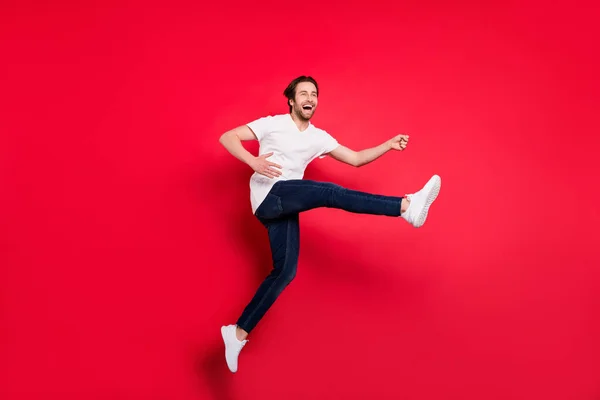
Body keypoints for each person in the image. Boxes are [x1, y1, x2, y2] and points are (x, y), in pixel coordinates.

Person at [218, 76, 441, 373]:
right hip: (269, 195)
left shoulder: (318, 137)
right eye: (303, 93)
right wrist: (252, 161)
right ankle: (405, 206)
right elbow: (227, 137)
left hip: (284, 204)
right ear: (292, 100)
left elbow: (357, 158)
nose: (309, 98)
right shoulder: (273, 123)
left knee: (285, 272)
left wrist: (387, 145)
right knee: (328, 192)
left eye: (314, 94)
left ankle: (237, 333)